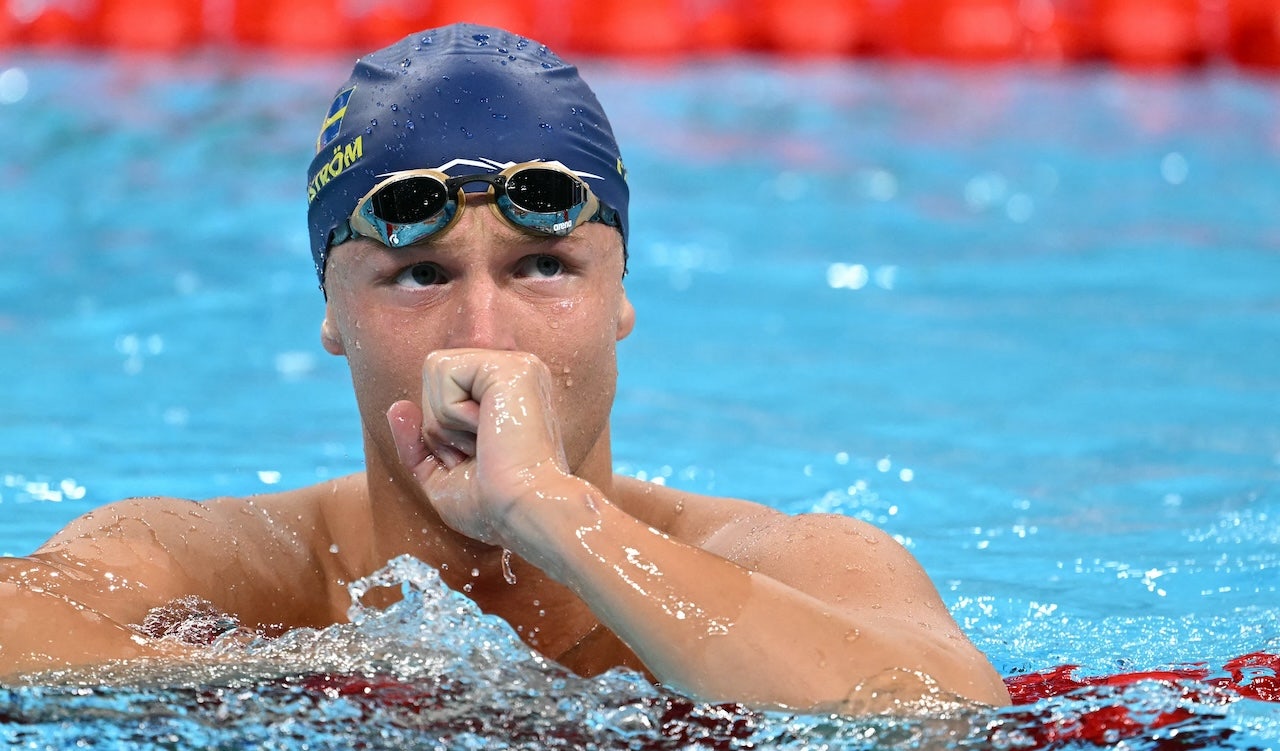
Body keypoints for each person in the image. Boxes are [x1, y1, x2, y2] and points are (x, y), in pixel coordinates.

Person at [0, 22, 1009, 711]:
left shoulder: (799, 566)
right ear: (330, 313)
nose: (483, 335)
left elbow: (936, 715)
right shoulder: (225, 567)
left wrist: (553, 515)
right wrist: (345, 669)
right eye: (417, 275)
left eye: (543, 266)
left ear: (620, 293)